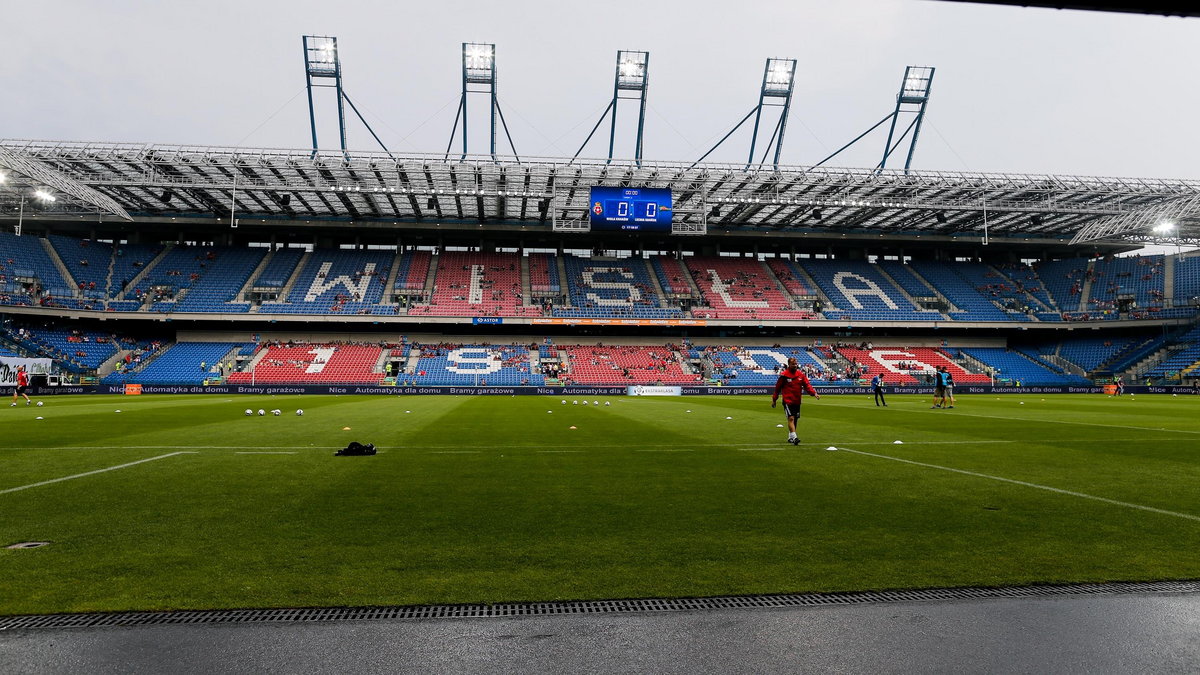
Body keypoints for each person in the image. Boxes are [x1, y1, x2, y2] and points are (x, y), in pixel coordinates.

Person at [771, 357, 820, 445]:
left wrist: (814, 393)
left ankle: (790, 437)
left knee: (795, 420)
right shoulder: (784, 375)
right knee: (791, 418)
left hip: (797, 401)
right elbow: (777, 388)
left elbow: (807, 385)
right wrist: (774, 399)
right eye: (793, 364)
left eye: (796, 364)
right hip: (787, 401)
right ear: (789, 365)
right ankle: (795, 437)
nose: (795, 365)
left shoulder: (801, 375)